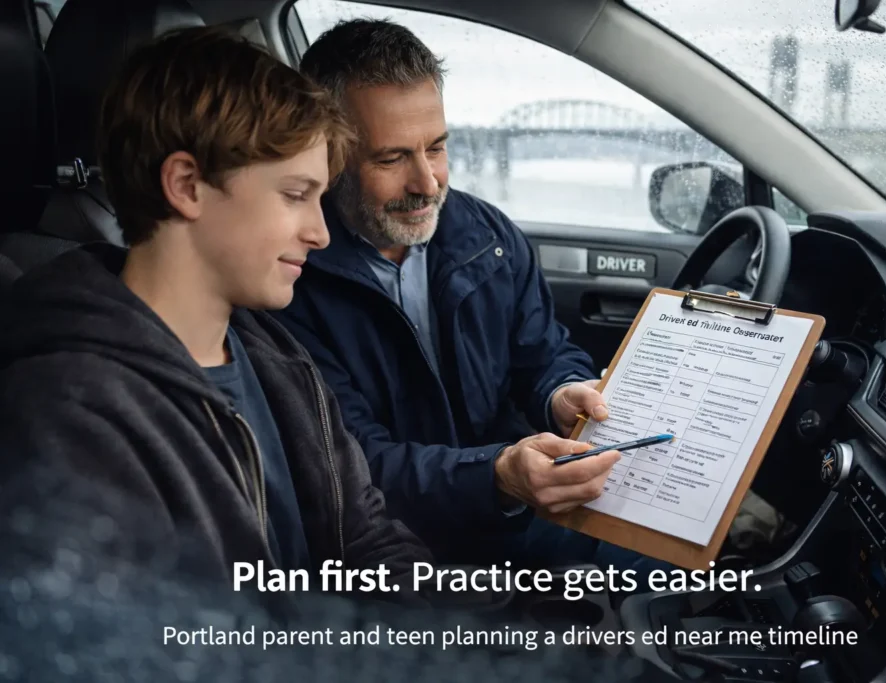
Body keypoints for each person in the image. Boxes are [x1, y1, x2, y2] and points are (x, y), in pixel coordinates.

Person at [0, 27, 431, 600]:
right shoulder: (68, 413)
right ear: (186, 185)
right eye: (295, 195)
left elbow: (370, 544)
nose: (321, 234)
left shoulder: (277, 358)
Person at [274, 19, 664, 575]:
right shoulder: (291, 282)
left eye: (436, 147)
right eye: (391, 159)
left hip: (521, 508)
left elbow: (543, 353)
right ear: (329, 155)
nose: (428, 183)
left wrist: (560, 392)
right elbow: (354, 463)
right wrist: (496, 476)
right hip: (405, 547)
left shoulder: (487, 236)